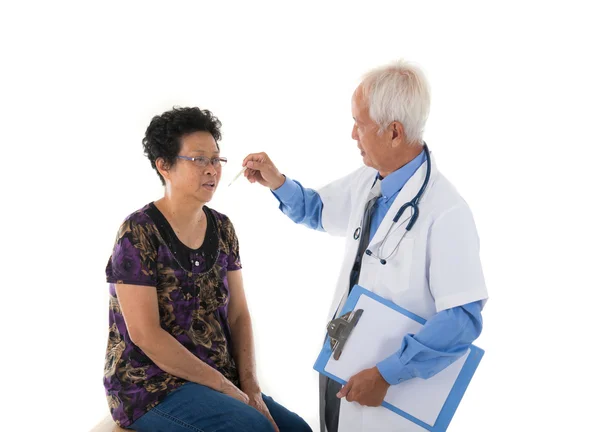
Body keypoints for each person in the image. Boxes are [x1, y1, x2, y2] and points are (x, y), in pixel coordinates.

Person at [241, 59, 489, 432]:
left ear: (393, 132)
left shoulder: (447, 212)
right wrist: (277, 182)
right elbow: (317, 209)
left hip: (391, 390)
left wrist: (387, 374)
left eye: (359, 123)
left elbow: (461, 319)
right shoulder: (369, 181)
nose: (352, 134)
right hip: (340, 365)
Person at [103, 106, 312, 432]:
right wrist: (228, 389)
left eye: (216, 159)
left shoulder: (223, 228)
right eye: (199, 159)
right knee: (251, 428)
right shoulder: (138, 231)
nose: (212, 169)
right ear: (164, 166)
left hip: (216, 378)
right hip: (150, 385)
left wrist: (251, 387)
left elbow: (238, 314)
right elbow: (146, 335)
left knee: (297, 429)